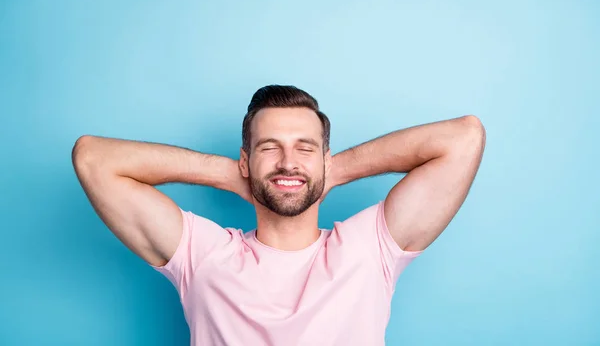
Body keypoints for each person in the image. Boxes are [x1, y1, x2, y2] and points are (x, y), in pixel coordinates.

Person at [72, 85, 486, 346]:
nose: (288, 162)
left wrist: (332, 171)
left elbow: (464, 137)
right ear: (245, 160)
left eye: (304, 148)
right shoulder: (203, 256)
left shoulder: (369, 249)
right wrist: (230, 174)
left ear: (324, 159)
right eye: (269, 147)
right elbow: (93, 158)